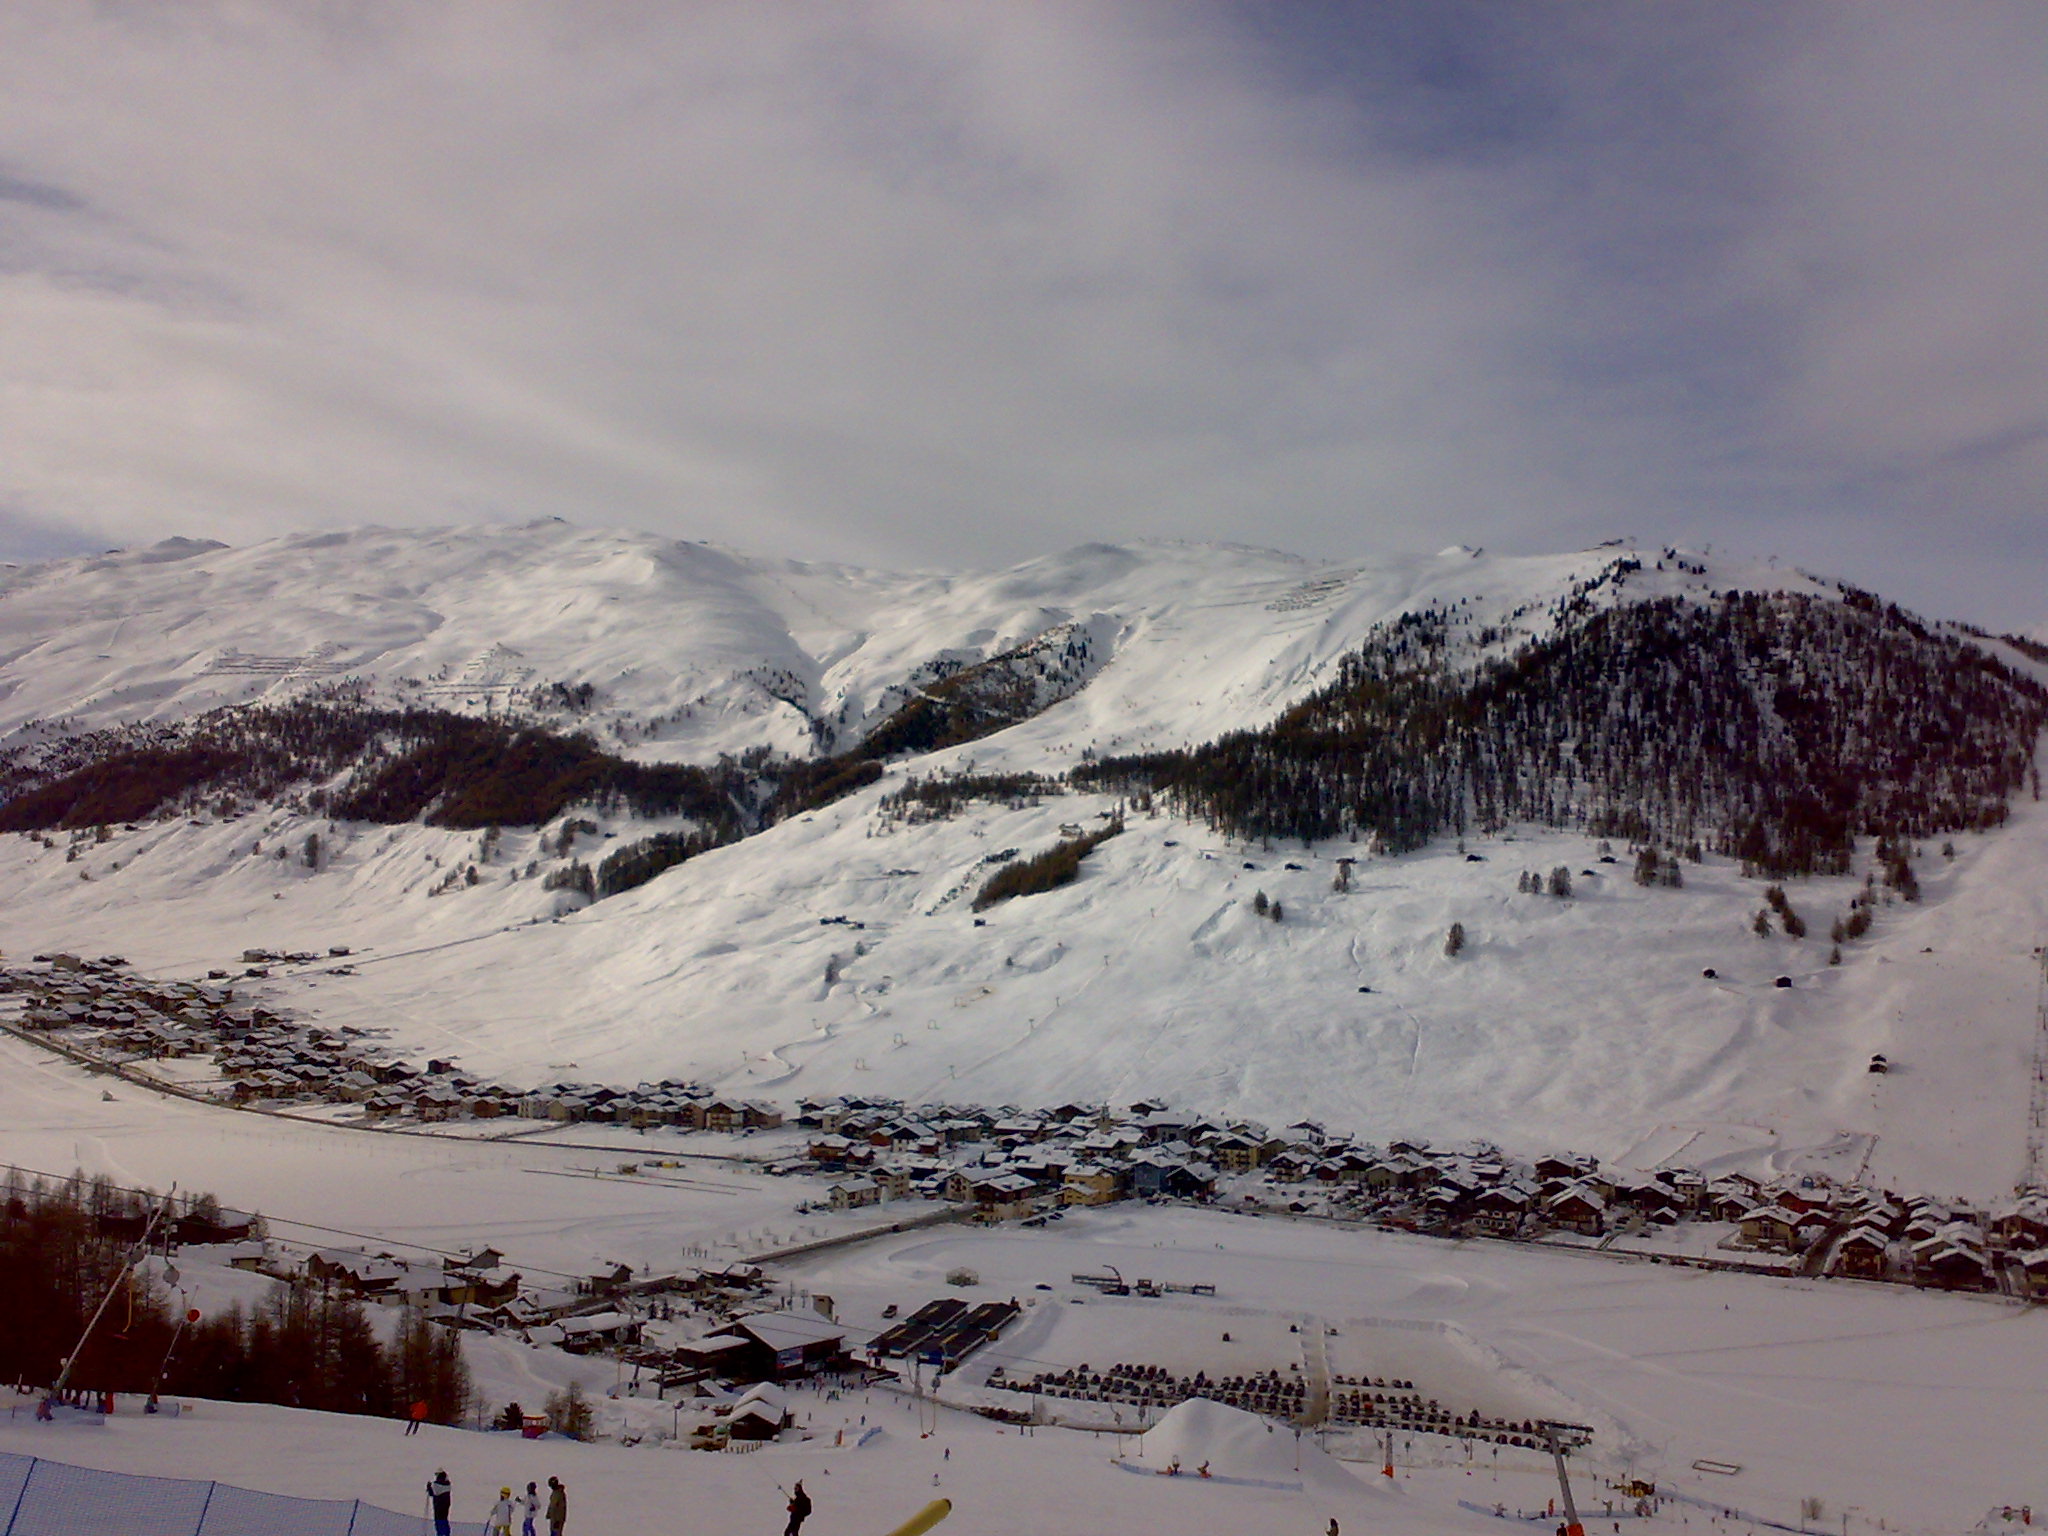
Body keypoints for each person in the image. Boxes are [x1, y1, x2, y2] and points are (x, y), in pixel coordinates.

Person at [427, 1470, 453, 1536]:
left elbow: (432, 1493)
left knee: (439, 1521)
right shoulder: (447, 1485)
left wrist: (429, 1487)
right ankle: (446, 1534)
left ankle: (440, 1534)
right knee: (444, 1519)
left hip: (438, 1506)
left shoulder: (437, 1485)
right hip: (446, 1504)